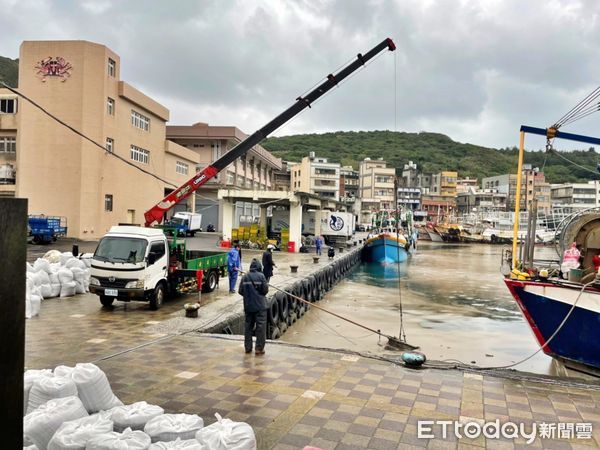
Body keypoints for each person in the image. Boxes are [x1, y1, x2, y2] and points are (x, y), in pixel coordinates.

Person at [238, 259, 269, 355]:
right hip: (260, 307)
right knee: (260, 328)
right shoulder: (261, 276)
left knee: (248, 327)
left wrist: (249, 296)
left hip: (248, 306)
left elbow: (240, 291)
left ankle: (248, 348)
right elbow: (265, 290)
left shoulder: (245, 277)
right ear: (259, 267)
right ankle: (259, 349)